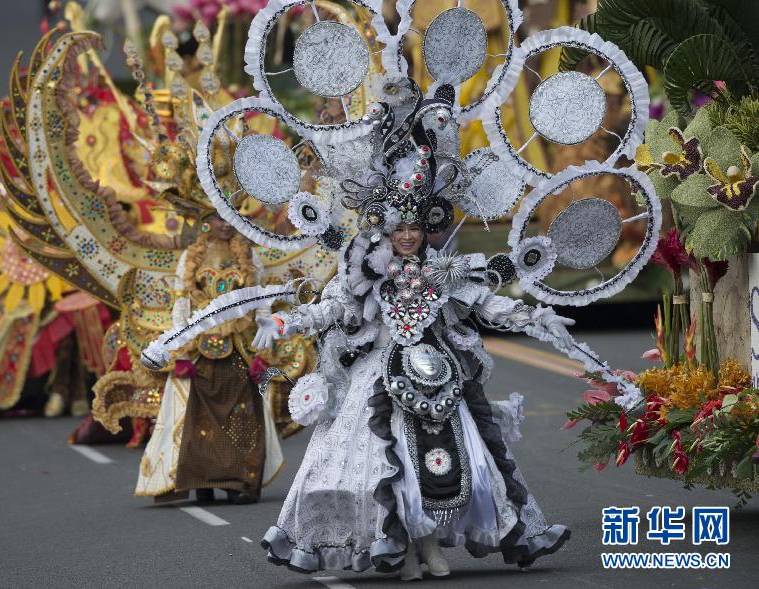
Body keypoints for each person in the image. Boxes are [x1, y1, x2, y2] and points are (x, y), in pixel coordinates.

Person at [251, 220, 573, 579]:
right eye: (398, 229)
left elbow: (486, 302)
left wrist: (537, 317)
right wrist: (282, 323)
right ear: (385, 232)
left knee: (461, 464)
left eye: (414, 228)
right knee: (385, 469)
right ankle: (401, 547)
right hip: (377, 378)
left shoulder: (444, 269)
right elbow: (330, 309)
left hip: (435, 375)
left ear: (425, 231)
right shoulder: (365, 267)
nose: (407, 236)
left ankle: (430, 543)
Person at [136, 212, 283, 505]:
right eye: (218, 218)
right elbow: (181, 303)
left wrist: (263, 343)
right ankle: (202, 480)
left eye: (230, 218)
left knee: (241, 417)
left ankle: (237, 482)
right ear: (206, 221)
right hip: (201, 348)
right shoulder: (191, 256)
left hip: (239, 345)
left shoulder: (250, 256)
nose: (225, 224)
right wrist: (179, 346)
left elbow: (261, 302)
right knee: (197, 417)